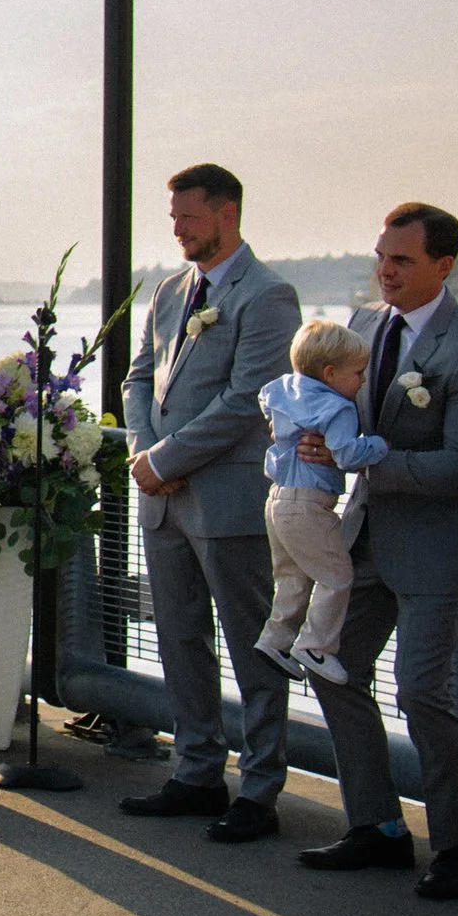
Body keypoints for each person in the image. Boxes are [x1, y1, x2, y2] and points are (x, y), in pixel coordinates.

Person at [297, 202, 458, 900]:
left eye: (402, 260)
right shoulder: (359, 325)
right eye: (382, 256)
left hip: (436, 548)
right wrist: (304, 442)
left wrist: (362, 460)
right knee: (329, 666)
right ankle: (379, 826)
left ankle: (457, 844)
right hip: (364, 538)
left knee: (421, 690)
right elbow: (337, 418)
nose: (385, 270)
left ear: (443, 266)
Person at [120, 164, 303, 843]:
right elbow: (139, 378)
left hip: (227, 499)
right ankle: (197, 770)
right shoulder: (170, 291)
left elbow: (247, 399)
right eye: (172, 217)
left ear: (226, 214)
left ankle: (260, 787)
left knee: (253, 646)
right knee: (179, 637)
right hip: (164, 500)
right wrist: (146, 454)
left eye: (187, 217)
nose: (176, 228)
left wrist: (166, 460)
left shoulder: (268, 295)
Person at [253, 320, 388, 684]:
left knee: (291, 577)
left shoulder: (284, 389)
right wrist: (378, 445)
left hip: (277, 498)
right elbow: (344, 454)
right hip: (310, 504)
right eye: (357, 373)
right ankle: (316, 646)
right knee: (338, 576)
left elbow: (265, 404)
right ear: (331, 373)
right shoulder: (338, 408)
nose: (361, 381)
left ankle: (276, 639)